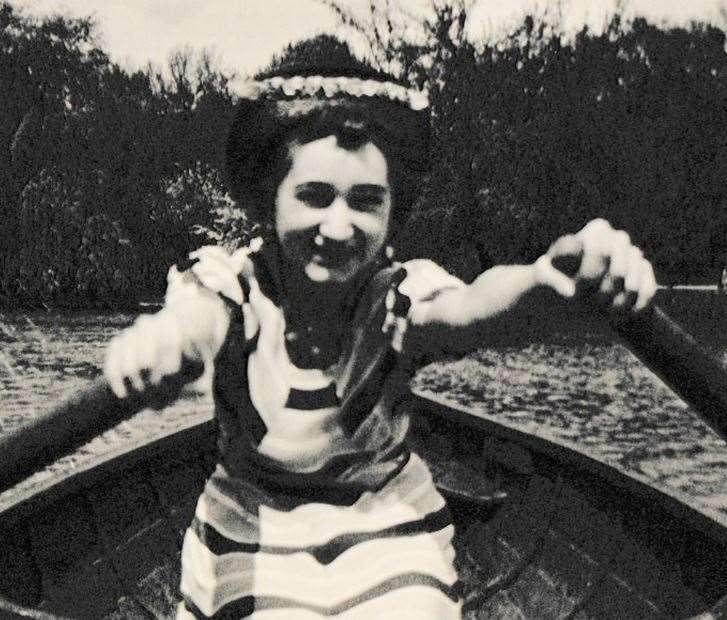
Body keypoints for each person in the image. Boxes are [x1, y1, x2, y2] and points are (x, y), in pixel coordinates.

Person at [104, 60, 657, 618]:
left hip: (385, 519)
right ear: (269, 202)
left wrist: (552, 276)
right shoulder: (231, 287)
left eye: (366, 200)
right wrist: (163, 345)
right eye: (315, 196)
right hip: (252, 520)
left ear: (392, 211)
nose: (340, 226)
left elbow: (472, 307)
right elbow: (196, 323)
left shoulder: (398, 295)